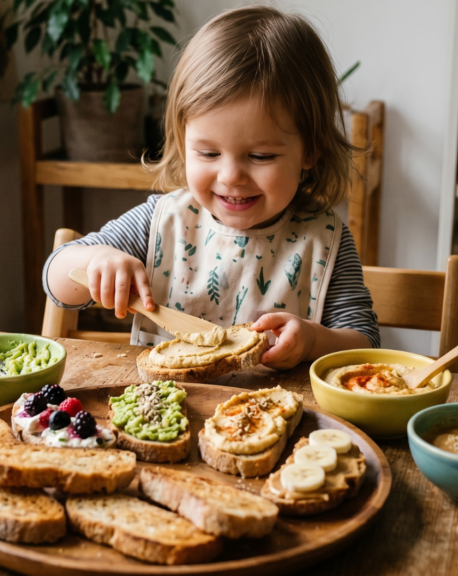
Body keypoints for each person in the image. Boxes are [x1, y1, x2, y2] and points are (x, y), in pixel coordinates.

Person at [44, 5, 379, 370]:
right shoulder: (162, 222)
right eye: (208, 153)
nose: (231, 176)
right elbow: (57, 281)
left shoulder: (324, 240)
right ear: (183, 140)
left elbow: (365, 343)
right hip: (163, 404)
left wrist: (313, 340)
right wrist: (97, 262)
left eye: (261, 156)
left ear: (310, 150)